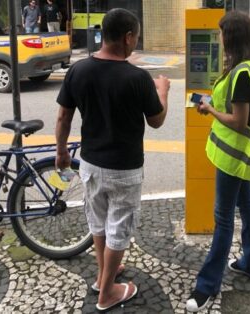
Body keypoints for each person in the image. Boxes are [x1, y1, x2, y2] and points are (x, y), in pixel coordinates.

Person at [54, 8, 170, 312]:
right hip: (125, 169)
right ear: (128, 37)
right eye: (136, 37)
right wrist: (163, 91)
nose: (136, 42)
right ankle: (107, 293)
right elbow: (156, 120)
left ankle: (102, 274)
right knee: (118, 227)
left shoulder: (79, 70)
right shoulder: (138, 78)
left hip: (91, 165)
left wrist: (62, 151)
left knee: (99, 221)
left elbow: (64, 115)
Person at [185, 11, 250, 312]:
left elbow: (238, 121)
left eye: (222, 33)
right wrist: (211, 105)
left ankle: (206, 286)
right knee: (247, 206)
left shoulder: (242, 74)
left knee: (223, 220)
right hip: (243, 155)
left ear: (230, 37)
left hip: (233, 157)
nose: (219, 38)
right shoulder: (248, 67)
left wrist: (209, 110)